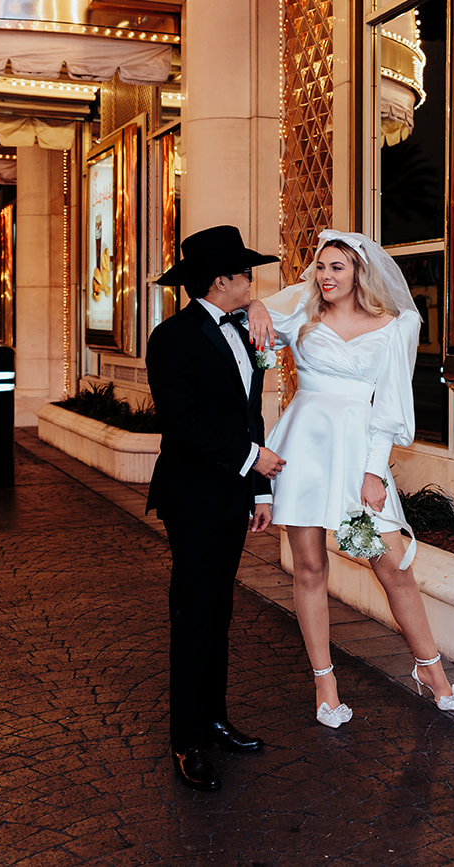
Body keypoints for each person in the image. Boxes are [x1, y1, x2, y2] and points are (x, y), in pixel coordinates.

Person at [245, 229, 454, 728]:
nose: (325, 276)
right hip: (302, 448)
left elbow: (388, 409)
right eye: (320, 267)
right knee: (309, 569)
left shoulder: (394, 326)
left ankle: (431, 672)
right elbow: (250, 319)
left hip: (357, 454)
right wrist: (258, 305)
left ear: (358, 274)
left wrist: (373, 472)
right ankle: (325, 684)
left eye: (336, 268)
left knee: (393, 566)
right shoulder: (302, 311)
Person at [145, 225, 287, 792]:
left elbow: (248, 411)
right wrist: (255, 458)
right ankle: (186, 740)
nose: (253, 282)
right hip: (194, 497)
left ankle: (215, 718)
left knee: (220, 611)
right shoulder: (171, 338)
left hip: (232, 493)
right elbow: (182, 425)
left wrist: (257, 490)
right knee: (193, 615)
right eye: (246, 274)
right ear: (221, 280)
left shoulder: (245, 326)